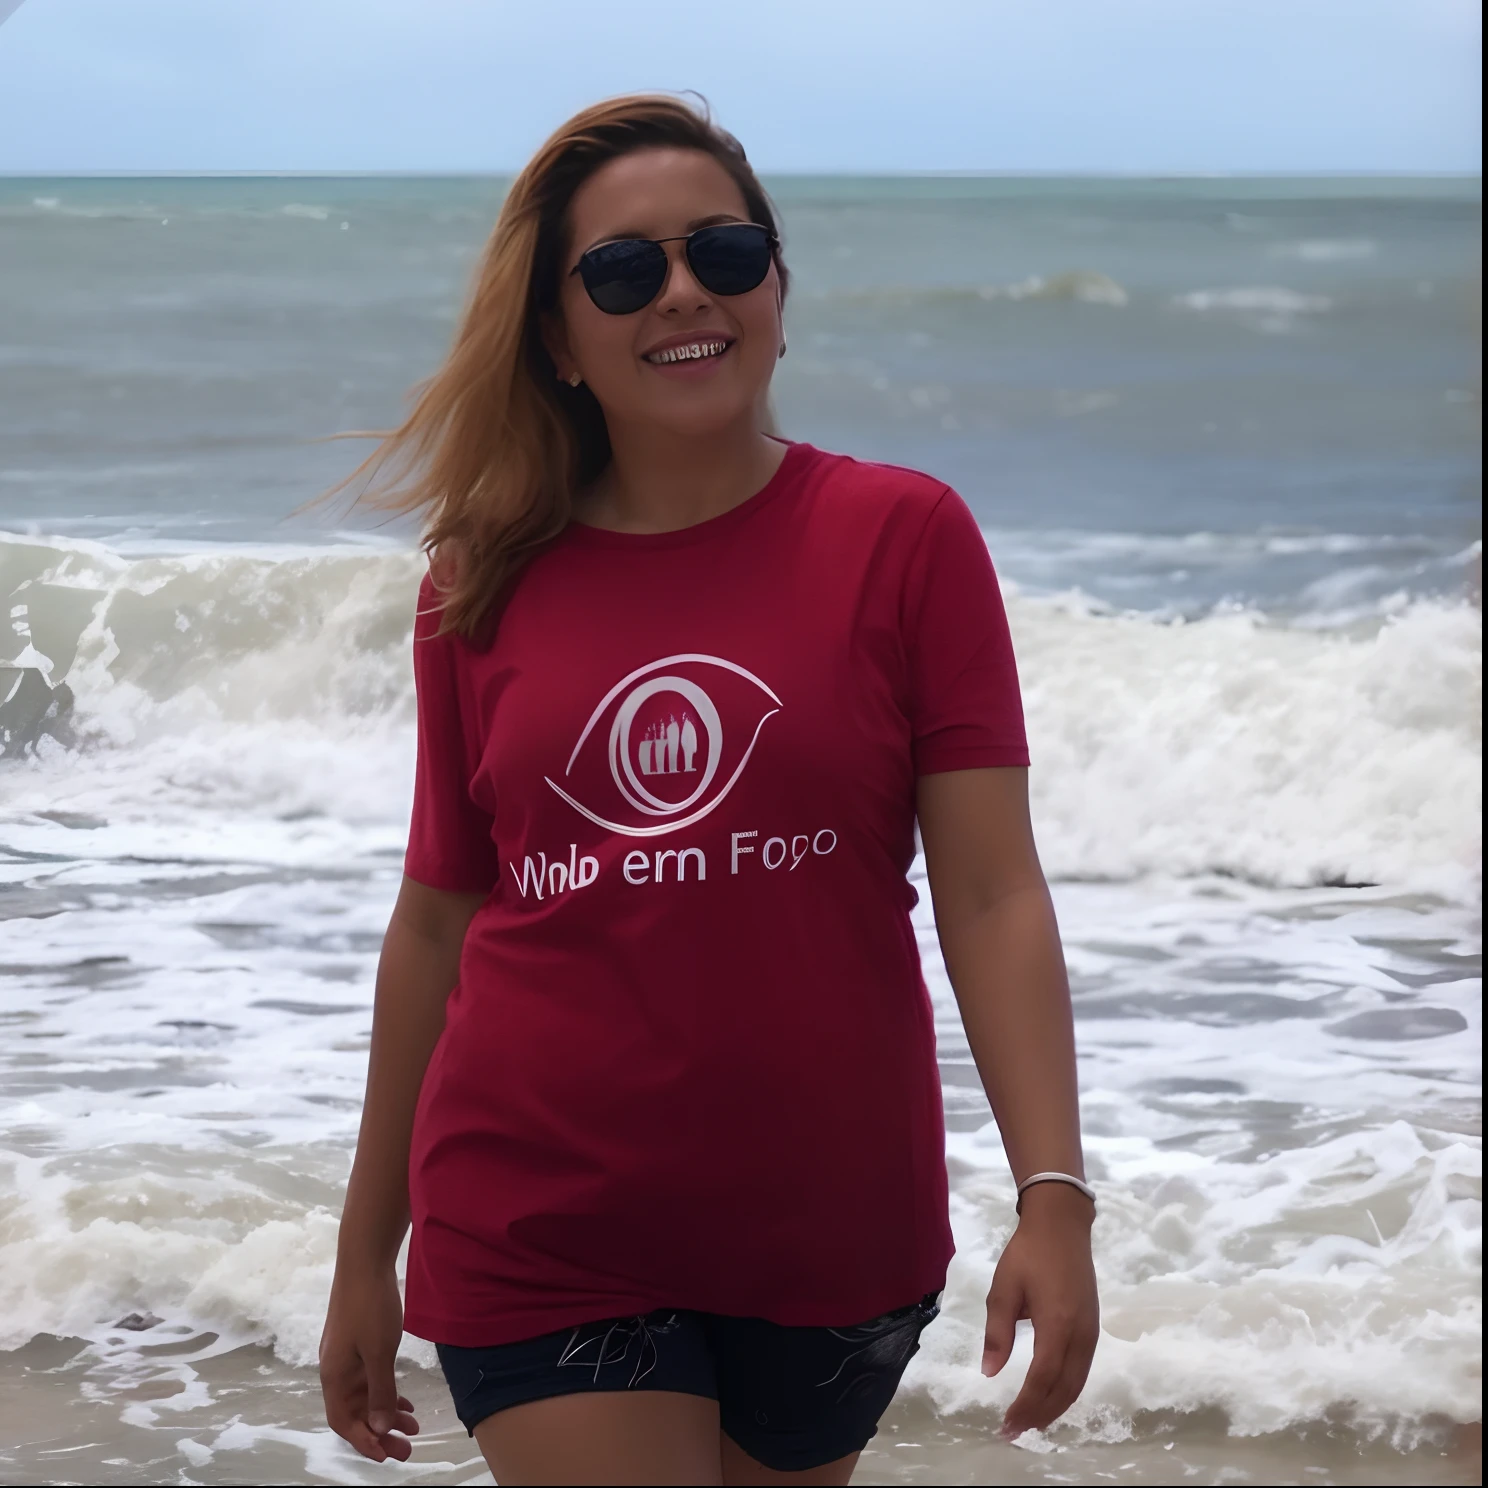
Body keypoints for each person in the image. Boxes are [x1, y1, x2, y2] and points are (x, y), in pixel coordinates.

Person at [316, 93, 1099, 1486]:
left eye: (724, 254)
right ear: (557, 337)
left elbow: (988, 893)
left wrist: (1055, 1194)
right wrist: (364, 1253)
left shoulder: (904, 537)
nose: (683, 291)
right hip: (540, 1214)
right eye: (624, 270)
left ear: (778, 290)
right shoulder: (479, 584)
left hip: (834, 1232)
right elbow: (436, 923)